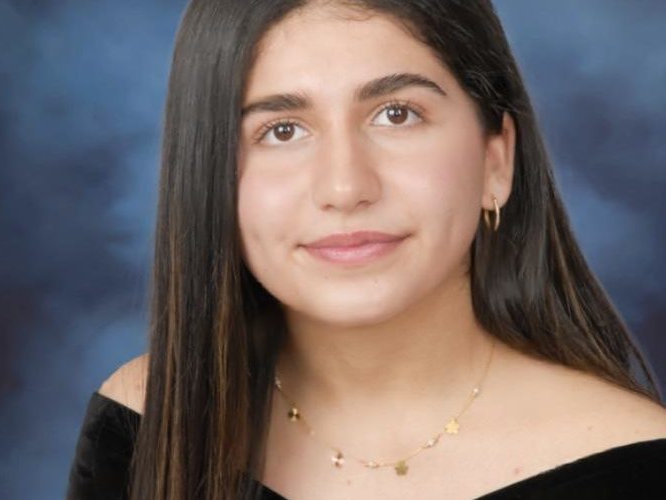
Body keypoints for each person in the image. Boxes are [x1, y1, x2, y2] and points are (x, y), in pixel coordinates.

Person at [66, 1, 666, 499]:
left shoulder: (637, 463)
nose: (345, 187)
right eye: (281, 130)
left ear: (496, 161)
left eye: (397, 115)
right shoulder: (146, 422)